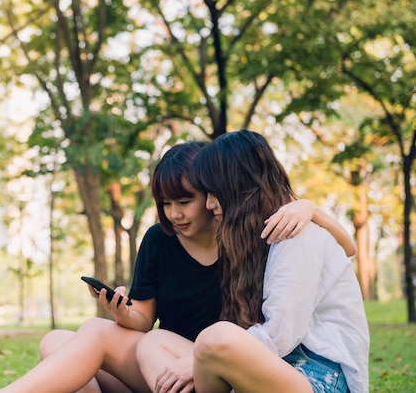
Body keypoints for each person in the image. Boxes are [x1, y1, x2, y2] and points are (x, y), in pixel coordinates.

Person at [0, 141, 357, 393]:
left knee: (209, 340)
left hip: (234, 364)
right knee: (60, 339)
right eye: (166, 203)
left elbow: (340, 253)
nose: (175, 213)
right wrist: (119, 311)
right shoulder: (160, 239)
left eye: (187, 200)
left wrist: (309, 207)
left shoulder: (263, 234)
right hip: (178, 364)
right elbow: (143, 322)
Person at [136, 130, 369, 393]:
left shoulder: (294, 234)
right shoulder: (254, 238)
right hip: (275, 368)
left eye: (214, 193)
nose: (210, 205)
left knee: (215, 338)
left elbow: (280, 335)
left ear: (238, 186)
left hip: (319, 378)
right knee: (152, 342)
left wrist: (195, 360)